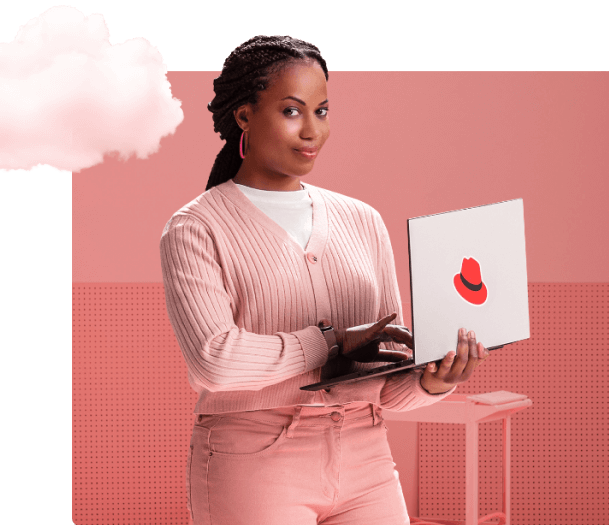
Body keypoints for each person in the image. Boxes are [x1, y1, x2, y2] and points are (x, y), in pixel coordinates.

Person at [160, 35, 492, 525]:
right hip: (253, 459)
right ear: (244, 116)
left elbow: (386, 380)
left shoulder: (363, 220)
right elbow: (216, 362)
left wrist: (430, 380)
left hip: (366, 456)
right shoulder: (196, 227)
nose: (312, 130)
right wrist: (329, 343)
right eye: (292, 111)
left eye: (322, 111)